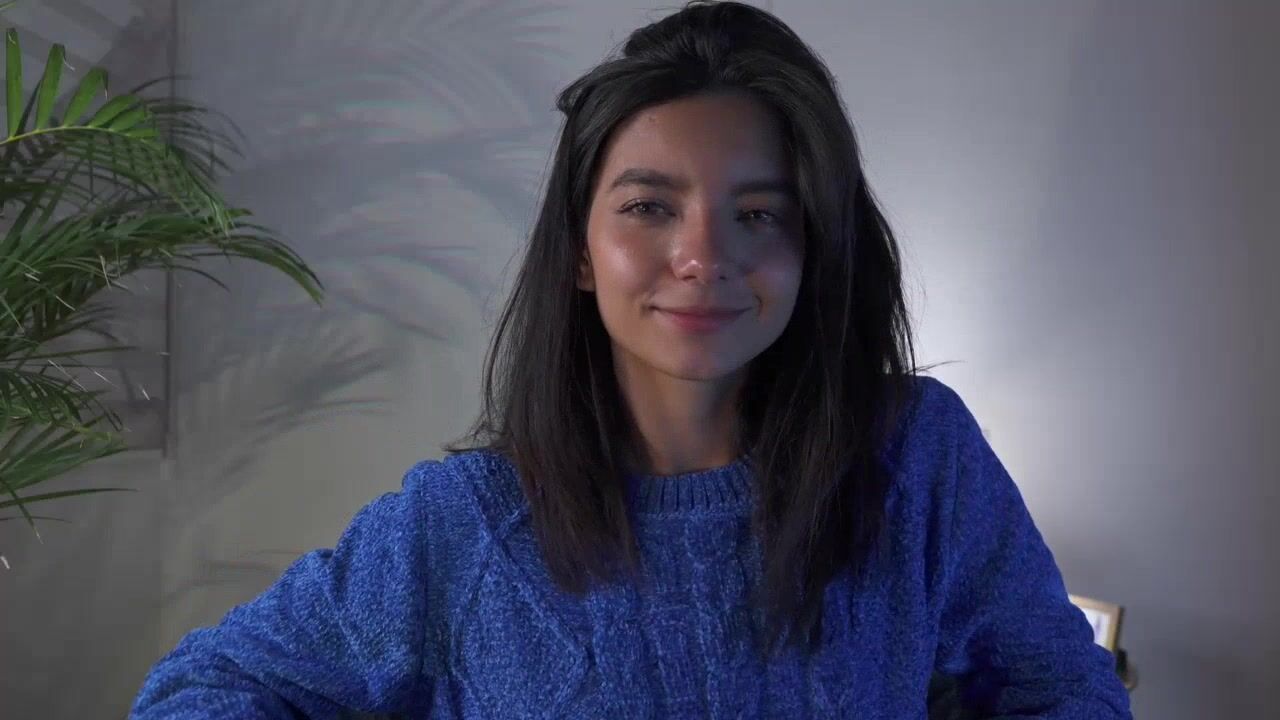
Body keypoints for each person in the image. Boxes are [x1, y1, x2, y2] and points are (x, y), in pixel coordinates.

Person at [131, 2, 1132, 718]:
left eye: (758, 214)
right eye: (650, 206)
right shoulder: (463, 526)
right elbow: (198, 692)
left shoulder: (914, 455)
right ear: (580, 249)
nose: (702, 257)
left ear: (812, 249)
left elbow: (1062, 687)